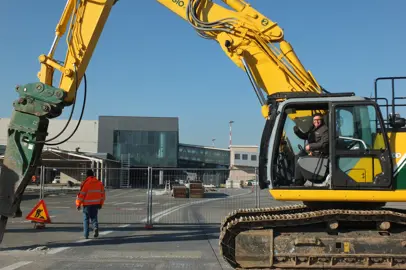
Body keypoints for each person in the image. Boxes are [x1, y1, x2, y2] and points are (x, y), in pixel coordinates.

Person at [292, 113, 329, 184]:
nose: (316, 121)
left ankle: (298, 182)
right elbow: (305, 136)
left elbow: (324, 144)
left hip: (320, 156)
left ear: (322, 120)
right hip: (313, 153)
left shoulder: (325, 130)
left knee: (300, 160)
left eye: (318, 120)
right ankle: (299, 180)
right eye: (315, 120)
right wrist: (297, 132)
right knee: (297, 157)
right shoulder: (313, 128)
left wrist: (310, 146)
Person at [76, 169, 105, 239]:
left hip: (87, 204)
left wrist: (78, 204)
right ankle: (95, 228)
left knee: (86, 219)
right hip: (96, 204)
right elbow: (103, 195)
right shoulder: (99, 183)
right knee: (94, 217)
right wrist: (101, 203)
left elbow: (81, 195)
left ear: (87, 175)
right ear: (93, 175)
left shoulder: (86, 183)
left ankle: (86, 234)